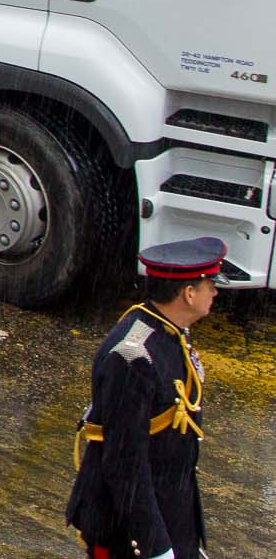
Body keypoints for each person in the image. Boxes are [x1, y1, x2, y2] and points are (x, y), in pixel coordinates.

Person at [66, 237, 225, 559]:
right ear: (188, 293)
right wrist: (156, 548)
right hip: (128, 529)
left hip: (169, 512)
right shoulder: (131, 357)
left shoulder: (171, 330)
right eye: (211, 285)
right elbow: (124, 463)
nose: (216, 292)